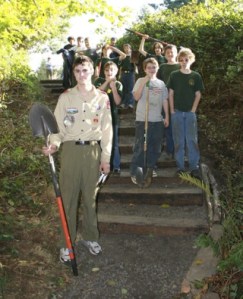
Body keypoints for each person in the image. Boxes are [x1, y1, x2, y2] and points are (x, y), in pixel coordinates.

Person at [42, 56, 113, 264]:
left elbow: (108, 130)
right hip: (71, 152)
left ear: (93, 71)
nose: (82, 75)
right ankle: (67, 243)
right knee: (68, 199)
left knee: (90, 199)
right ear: (73, 74)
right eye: (78, 71)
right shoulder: (66, 98)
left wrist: (106, 158)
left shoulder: (102, 97)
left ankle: (91, 238)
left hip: (93, 152)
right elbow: (57, 128)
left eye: (86, 70)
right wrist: (53, 144)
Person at [130, 57, 169, 188]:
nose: (151, 70)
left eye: (154, 67)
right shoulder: (140, 80)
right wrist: (144, 82)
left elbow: (165, 101)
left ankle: (150, 168)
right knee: (141, 145)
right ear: (145, 69)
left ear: (157, 68)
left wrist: (167, 116)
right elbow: (136, 97)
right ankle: (136, 171)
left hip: (157, 119)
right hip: (143, 119)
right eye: (149, 68)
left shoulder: (161, 84)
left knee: (156, 146)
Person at [167, 47, 204, 179]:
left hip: (190, 114)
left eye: (186, 59)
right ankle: (180, 167)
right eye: (181, 60)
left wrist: (193, 110)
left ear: (191, 60)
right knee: (178, 141)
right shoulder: (174, 75)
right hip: (176, 112)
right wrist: (171, 111)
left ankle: (194, 167)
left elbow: (198, 94)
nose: (184, 62)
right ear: (178, 61)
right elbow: (170, 93)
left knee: (192, 140)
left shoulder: (196, 76)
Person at [94, 61, 123, 174]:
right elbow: (95, 94)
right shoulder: (99, 81)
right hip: (98, 119)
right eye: (107, 70)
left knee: (113, 143)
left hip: (113, 119)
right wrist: (107, 82)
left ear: (116, 71)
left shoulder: (119, 84)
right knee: (99, 142)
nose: (109, 72)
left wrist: (114, 88)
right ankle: (100, 165)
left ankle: (116, 166)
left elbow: (118, 101)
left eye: (112, 70)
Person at [157, 44, 180, 160]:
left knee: (178, 126)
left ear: (176, 53)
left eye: (172, 52)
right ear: (165, 55)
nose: (170, 54)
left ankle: (179, 150)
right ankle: (170, 150)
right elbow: (157, 81)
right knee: (167, 124)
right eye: (168, 53)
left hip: (179, 100)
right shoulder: (162, 67)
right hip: (165, 99)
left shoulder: (181, 66)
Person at [119, 44, 137, 109]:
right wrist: (120, 75)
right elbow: (120, 67)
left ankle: (130, 103)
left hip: (130, 74)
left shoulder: (133, 56)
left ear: (130, 48)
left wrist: (134, 75)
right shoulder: (123, 56)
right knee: (124, 89)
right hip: (124, 73)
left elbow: (135, 66)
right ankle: (123, 103)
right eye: (125, 48)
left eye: (127, 48)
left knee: (130, 89)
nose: (126, 49)